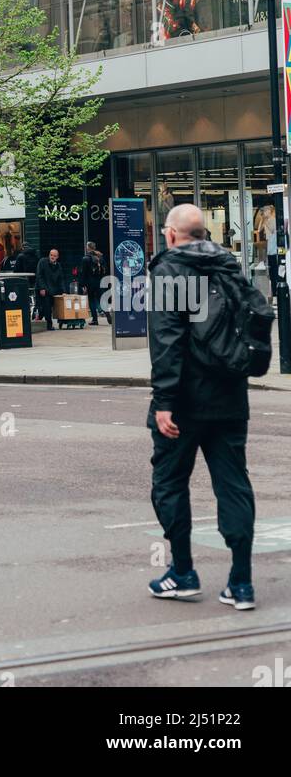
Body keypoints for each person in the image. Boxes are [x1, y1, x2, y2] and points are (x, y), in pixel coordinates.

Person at [147, 203, 266, 611]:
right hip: (231, 397)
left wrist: (163, 402)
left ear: (172, 235)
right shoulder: (229, 266)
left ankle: (182, 573)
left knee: (169, 484)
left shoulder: (170, 271)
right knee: (234, 485)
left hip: (183, 403)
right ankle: (242, 582)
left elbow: (167, 341)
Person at [35, 248, 65, 330]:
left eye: (54, 256)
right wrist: (42, 288)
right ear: (49, 255)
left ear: (57, 257)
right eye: (51, 255)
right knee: (46, 307)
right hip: (43, 288)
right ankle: (49, 325)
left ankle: (37, 322)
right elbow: (39, 275)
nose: (52, 257)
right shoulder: (42, 262)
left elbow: (61, 279)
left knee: (45, 308)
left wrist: (63, 291)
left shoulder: (58, 265)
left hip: (53, 289)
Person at [79, 242, 106, 326]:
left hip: (90, 282)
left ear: (88, 248)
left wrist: (82, 284)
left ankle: (95, 319)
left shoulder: (86, 258)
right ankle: (105, 311)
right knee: (100, 298)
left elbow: (84, 273)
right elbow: (105, 269)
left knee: (91, 299)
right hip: (99, 281)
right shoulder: (100, 257)